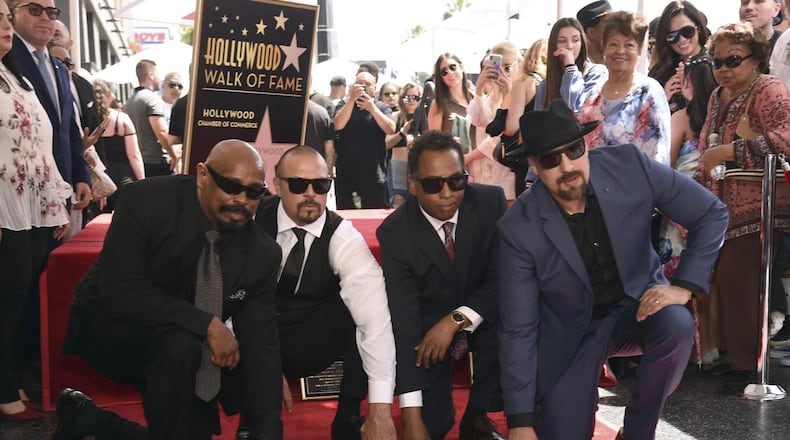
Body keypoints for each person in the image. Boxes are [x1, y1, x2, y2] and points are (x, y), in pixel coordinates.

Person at [499, 99, 728, 440]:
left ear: (586, 144)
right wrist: (519, 420)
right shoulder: (518, 228)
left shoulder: (629, 166)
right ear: (534, 165)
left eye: (574, 149)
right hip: (571, 333)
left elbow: (711, 212)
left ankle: (637, 432)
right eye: (550, 159)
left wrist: (684, 286)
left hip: (636, 307)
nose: (567, 165)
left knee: (677, 325)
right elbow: (518, 328)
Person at [53, 140, 284, 440]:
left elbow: (261, 341)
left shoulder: (262, 253)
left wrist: (268, 430)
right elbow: (120, 289)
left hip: (186, 348)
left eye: (254, 192)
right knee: (181, 345)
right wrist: (206, 325)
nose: (242, 200)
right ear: (202, 175)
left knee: (193, 379)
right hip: (111, 327)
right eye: (230, 186)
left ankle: (91, 420)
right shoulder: (146, 201)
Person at [249, 146, 397, 440]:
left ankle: (348, 418)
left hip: (314, 338)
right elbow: (229, 294)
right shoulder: (252, 220)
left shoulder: (342, 236)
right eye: (298, 184)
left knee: (362, 307)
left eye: (321, 185)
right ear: (277, 185)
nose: (311, 193)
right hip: (257, 333)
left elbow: (375, 321)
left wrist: (380, 410)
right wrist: (259, 360)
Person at [377, 131, 507, 440]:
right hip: (426, 332)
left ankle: (478, 415)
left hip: (482, 315)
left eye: (457, 181)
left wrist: (457, 319)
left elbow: (504, 278)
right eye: (434, 184)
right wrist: (411, 419)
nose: (447, 193)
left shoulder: (490, 203)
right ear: (412, 184)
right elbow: (404, 323)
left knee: (518, 317)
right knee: (433, 425)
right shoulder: (395, 233)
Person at [695, 21, 790, 372]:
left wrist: (732, 151)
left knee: (738, 278)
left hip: (761, 209)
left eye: (732, 60)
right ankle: (737, 362)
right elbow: (706, 150)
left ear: (757, 58)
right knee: (724, 279)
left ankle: (750, 368)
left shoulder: (769, 88)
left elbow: (786, 138)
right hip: (720, 210)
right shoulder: (716, 97)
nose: (723, 69)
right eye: (716, 62)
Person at [0, 3, 71, 421]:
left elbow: (42, 146)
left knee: (21, 297)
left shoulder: (16, 76)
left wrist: (55, 201)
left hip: (31, 207)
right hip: (5, 208)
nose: (5, 28)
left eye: (5, 20)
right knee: (8, 298)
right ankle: (3, 382)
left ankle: (11, 375)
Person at [578, 11, 672, 164]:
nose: (620, 51)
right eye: (613, 44)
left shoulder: (649, 93)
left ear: (640, 49)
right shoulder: (592, 95)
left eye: (629, 45)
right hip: (593, 185)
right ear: (604, 48)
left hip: (635, 184)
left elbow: (658, 156)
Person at [465, 41, 520, 201]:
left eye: (508, 67)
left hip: (509, 172)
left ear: (519, 64)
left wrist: (470, 156)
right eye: (496, 67)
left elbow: (502, 134)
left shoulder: (522, 94)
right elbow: (478, 120)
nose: (502, 72)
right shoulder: (490, 98)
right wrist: (479, 88)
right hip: (487, 175)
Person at [333, 71, 395, 209]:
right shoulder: (343, 104)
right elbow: (338, 124)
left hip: (374, 175)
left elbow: (390, 129)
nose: (363, 87)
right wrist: (351, 100)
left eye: (367, 84)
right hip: (346, 176)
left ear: (375, 87)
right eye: (359, 84)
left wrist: (371, 107)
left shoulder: (382, 107)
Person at [534, 17, 608, 113]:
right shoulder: (546, 84)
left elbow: (575, 109)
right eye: (562, 41)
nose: (569, 46)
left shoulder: (597, 72)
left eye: (575, 40)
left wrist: (570, 68)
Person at [92, 78, 145, 212]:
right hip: (123, 178)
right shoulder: (121, 119)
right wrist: (142, 182)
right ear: (110, 96)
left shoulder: (89, 119)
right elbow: (134, 155)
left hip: (97, 180)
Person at [648, 1, 710, 114]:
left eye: (687, 31)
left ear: (699, 28)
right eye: (672, 36)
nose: (681, 39)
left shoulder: (715, 66)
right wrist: (662, 97)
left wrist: (695, 99)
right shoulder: (660, 72)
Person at [124, 59, 178, 177]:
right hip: (157, 161)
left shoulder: (129, 102)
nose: (160, 79)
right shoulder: (152, 99)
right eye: (158, 74)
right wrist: (173, 155)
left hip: (139, 161)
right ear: (151, 75)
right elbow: (161, 132)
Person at [427, 52, 474, 152]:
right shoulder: (438, 104)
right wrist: (448, 142)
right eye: (444, 72)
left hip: (479, 160)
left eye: (453, 67)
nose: (450, 73)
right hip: (453, 161)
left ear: (461, 67)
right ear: (441, 78)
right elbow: (433, 141)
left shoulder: (476, 98)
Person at [385, 82, 421, 208]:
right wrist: (402, 132)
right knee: (398, 202)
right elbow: (387, 144)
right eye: (407, 97)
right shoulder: (396, 117)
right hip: (398, 165)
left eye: (415, 97)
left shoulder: (424, 118)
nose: (411, 101)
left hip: (418, 166)